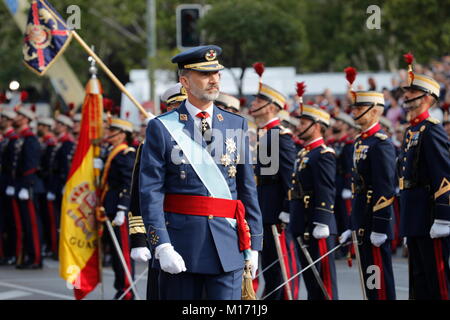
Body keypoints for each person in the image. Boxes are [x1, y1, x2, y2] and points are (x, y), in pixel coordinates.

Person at [139, 45, 263, 299]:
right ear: (184, 81)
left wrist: (255, 244)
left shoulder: (235, 123)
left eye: (217, 74)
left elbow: (247, 189)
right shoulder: (161, 127)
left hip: (228, 245)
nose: (214, 79)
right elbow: (151, 191)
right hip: (181, 245)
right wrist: (162, 245)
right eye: (205, 74)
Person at [339, 74, 397, 300]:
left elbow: (385, 188)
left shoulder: (380, 144)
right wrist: (352, 224)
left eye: (359, 107)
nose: (354, 112)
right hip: (363, 221)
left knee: (378, 281)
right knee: (369, 283)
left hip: (374, 224)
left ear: (374, 110)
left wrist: (380, 226)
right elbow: (358, 188)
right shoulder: (360, 141)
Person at [398, 58, 450, 299]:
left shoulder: (432, 130)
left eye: (413, 92)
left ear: (427, 98)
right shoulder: (411, 131)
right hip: (415, 216)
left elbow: (444, 175)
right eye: (406, 91)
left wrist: (443, 217)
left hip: (430, 217)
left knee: (437, 283)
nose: (407, 95)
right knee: (418, 283)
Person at [249, 81, 298, 299]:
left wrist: (287, 208)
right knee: (269, 269)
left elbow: (289, 177)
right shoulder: (263, 134)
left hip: (275, 213)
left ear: (271, 107)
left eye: (259, 101)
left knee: (279, 270)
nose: (254, 104)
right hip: (262, 210)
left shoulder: (280, 136)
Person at [288, 104, 338, 300]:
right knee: (311, 282)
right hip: (303, 222)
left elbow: (325, 189)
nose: (298, 127)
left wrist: (323, 220)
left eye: (303, 123)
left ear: (317, 126)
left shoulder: (323, 154)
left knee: (323, 283)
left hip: (317, 224)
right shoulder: (304, 154)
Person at [100, 118, 136, 299]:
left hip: (119, 208)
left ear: (122, 134)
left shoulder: (125, 154)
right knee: (114, 252)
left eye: (112, 130)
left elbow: (128, 182)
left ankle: (127, 289)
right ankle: (120, 287)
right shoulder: (110, 152)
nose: (108, 134)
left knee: (122, 251)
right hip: (110, 206)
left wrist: (123, 207)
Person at [12, 107, 44, 269]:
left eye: (19, 115)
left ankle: (36, 258)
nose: (15, 117)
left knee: (32, 224)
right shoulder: (22, 138)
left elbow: (31, 165)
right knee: (24, 224)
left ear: (25, 119)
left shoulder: (30, 139)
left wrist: (26, 185)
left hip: (29, 186)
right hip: (20, 185)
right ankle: (28, 256)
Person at [36, 117, 58, 258]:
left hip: (51, 185)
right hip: (45, 184)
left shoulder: (51, 143)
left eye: (41, 125)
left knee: (52, 219)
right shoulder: (45, 142)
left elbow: (52, 167)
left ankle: (53, 247)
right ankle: (50, 245)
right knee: (47, 218)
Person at [0, 110, 19, 265]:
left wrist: (12, 184)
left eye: (4, 118)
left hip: (9, 183)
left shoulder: (13, 139)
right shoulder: (6, 139)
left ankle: (12, 252)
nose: (1, 121)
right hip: (4, 183)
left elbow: (14, 165)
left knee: (11, 222)